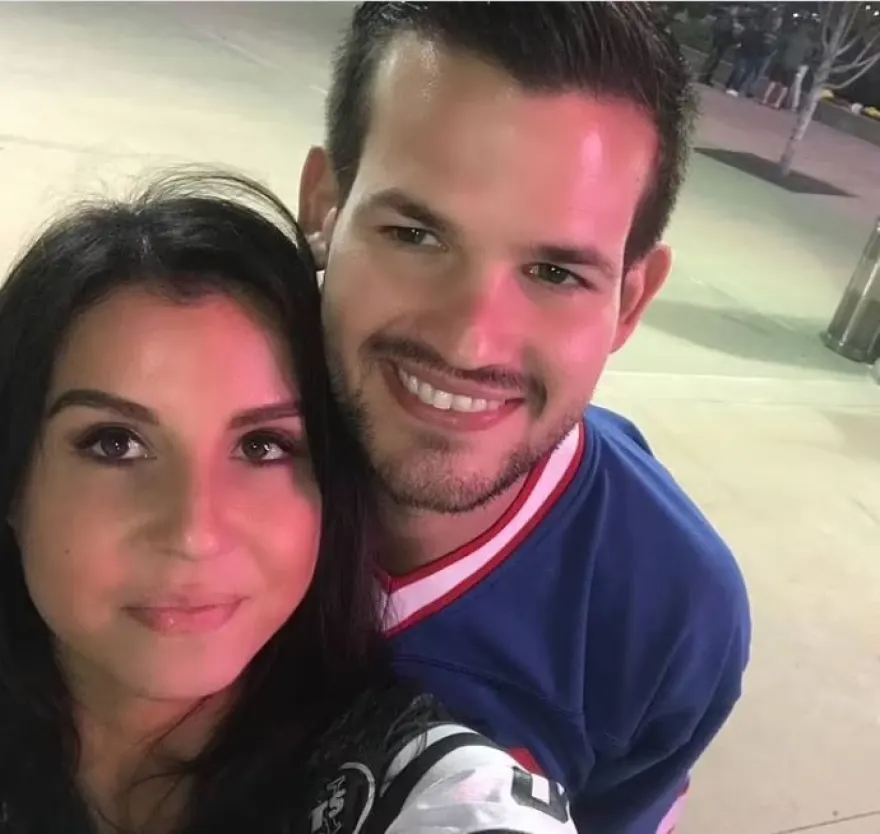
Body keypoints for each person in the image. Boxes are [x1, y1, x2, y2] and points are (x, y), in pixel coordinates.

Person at [0, 170, 578, 834]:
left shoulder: (437, 798)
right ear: (14, 481)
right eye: (114, 443)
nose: (194, 532)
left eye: (262, 447)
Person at [298, 4, 751, 834]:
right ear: (324, 207)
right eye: (415, 235)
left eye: (554, 272)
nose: (469, 341)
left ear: (630, 301)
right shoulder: (186, 451)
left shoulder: (668, 615)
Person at [761, 23, 815, 110]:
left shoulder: (790, 37)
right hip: (794, 66)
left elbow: (780, 47)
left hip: (783, 62)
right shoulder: (808, 43)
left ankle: (765, 98)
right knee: (785, 85)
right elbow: (808, 56)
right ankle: (777, 103)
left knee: (773, 81)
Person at [698, 6, 739, 85]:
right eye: (736, 9)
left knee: (713, 61)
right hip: (719, 43)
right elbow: (725, 32)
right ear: (732, 9)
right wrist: (733, 40)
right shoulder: (727, 19)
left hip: (719, 42)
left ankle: (705, 78)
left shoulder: (726, 18)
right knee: (712, 61)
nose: (737, 11)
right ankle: (703, 78)